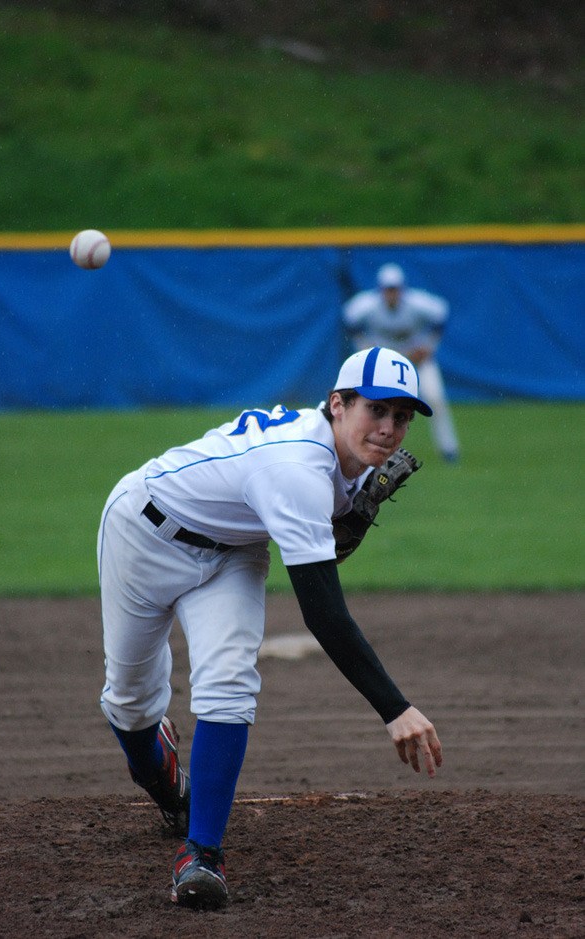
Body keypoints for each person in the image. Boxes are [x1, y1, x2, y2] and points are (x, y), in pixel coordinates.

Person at [97, 345, 443, 911]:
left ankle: (202, 853)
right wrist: (395, 708)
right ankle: (158, 770)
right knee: (131, 701)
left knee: (229, 685)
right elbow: (324, 613)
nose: (388, 429)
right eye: (376, 411)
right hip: (143, 532)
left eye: (401, 417)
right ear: (337, 405)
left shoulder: (348, 466)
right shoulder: (297, 468)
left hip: (233, 554)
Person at [343, 263, 460, 462]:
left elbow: (442, 314)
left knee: (435, 398)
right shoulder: (368, 305)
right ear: (380, 290)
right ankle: (365, 445)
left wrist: (429, 346)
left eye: (395, 288)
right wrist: (364, 346)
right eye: (388, 289)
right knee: (374, 404)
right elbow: (349, 319)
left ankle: (449, 449)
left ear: (402, 289)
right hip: (384, 363)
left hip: (416, 358)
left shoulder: (417, 303)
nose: (391, 293)